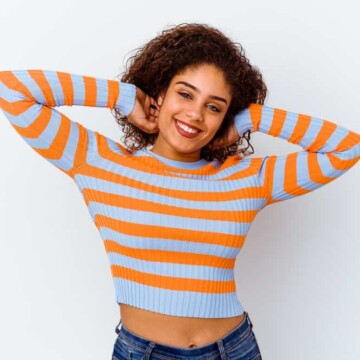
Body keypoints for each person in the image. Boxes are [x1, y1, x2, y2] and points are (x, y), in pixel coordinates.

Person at [0, 23, 359, 360]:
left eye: (214, 106)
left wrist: (251, 119)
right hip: (142, 351)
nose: (195, 115)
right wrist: (124, 97)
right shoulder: (99, 163)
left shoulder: (248, 178)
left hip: (233, 348)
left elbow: (346, 149)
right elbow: (12, 89)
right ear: (159, 94)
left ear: (225, 118)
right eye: (185, 94)